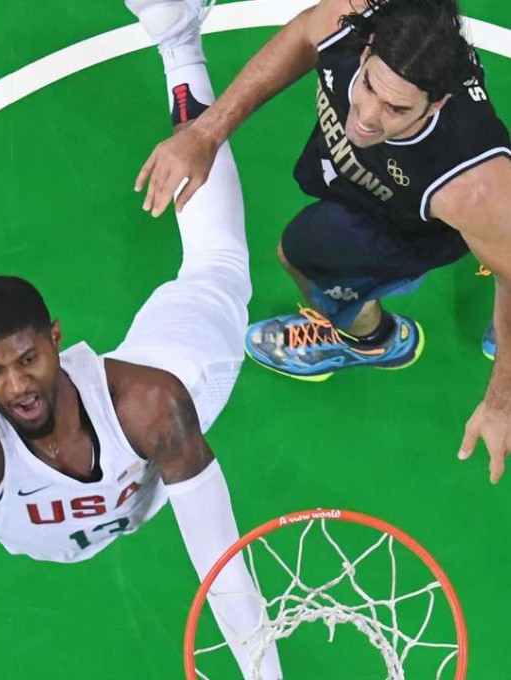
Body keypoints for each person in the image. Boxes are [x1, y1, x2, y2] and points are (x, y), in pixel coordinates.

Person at [0, 3, 283, 677]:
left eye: (30, 359)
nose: (19, 384)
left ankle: (181, 42)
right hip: (27, 474)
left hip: (155, 396)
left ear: (58, 341)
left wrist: (262, 674)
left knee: (217, 267)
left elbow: (221, 561)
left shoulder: (155, 402)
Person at [134, 0, 511, 484]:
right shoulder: (350, 18)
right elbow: (300, 36)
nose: (368, 117)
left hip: (407, 229)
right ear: (368, 48)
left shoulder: (471, 184)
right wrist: (206, 133)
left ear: (437, 104)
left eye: (397, 109)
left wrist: (500, 402)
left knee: (299, 255)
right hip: (365, 184)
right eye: (371, 85)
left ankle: (371, 340)